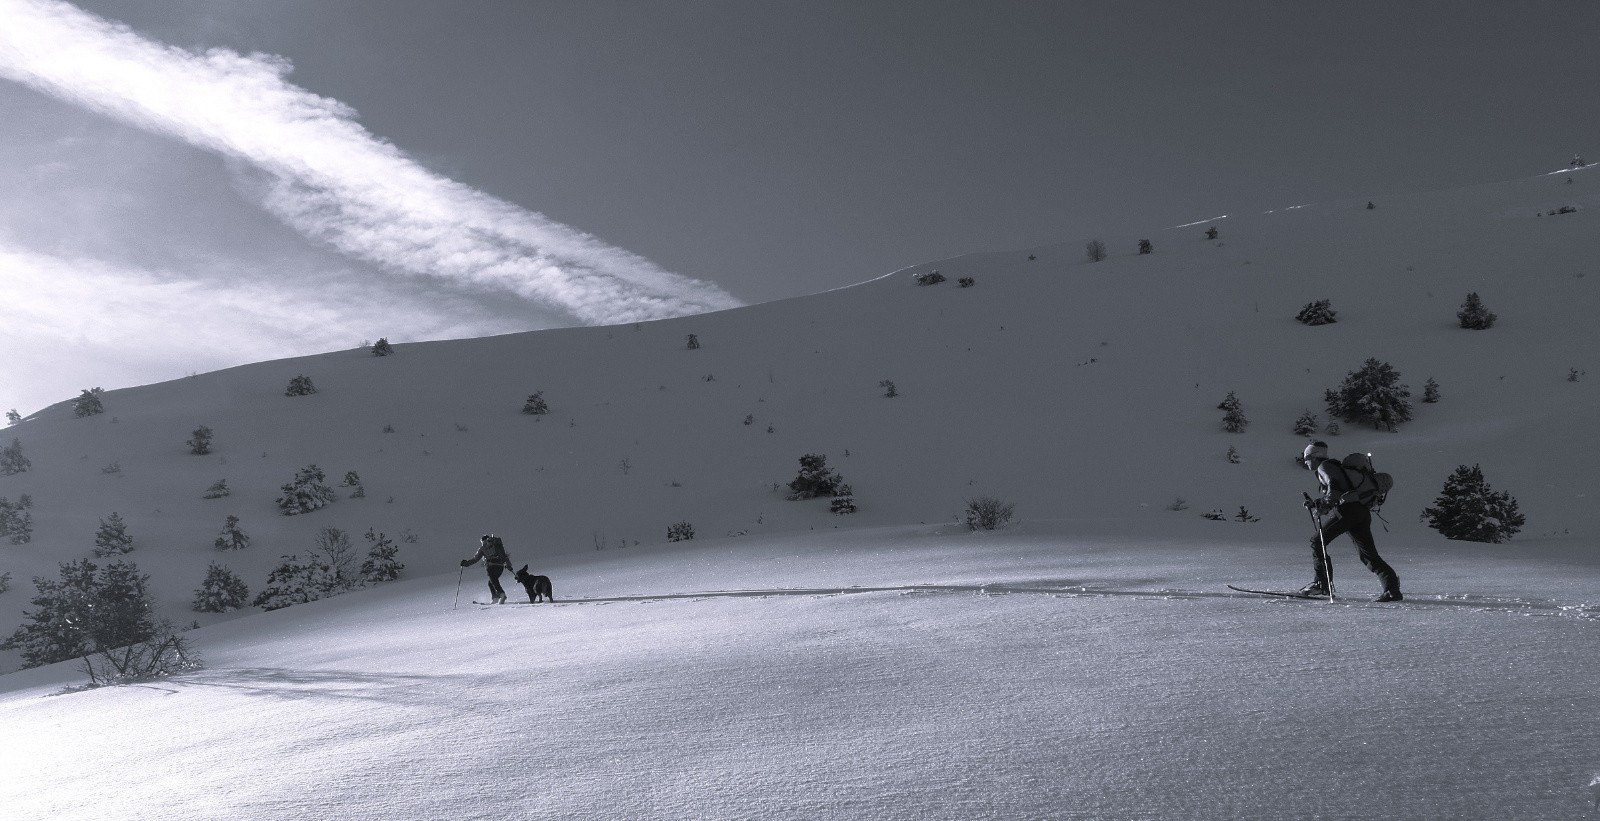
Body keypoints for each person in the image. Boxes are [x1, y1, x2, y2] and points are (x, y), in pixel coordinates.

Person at [1298, 442, 1403, 602]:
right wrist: (1318, 504)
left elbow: (1335, 488)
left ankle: (1321, 585)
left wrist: (1323, 506)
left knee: (1317, 542)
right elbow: (1341, 491)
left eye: (1307, 458)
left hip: (1347, 512)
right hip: (1360, 512)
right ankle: (1392, 590)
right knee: (1368, 556)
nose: (1305, 462)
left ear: (1315, 456)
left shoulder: (1324, 467)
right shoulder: (1335, 467)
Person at [461, 534, 513, 604]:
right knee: (491, 582)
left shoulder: (483, 548)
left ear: (482, 541)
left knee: (493, 580)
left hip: (491, 566)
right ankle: (495, 598)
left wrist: (466, 563)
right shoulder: (496, 545)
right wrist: (509, 565)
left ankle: (502, 594)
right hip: (500, 566)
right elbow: (504, 555)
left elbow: (475, 559)